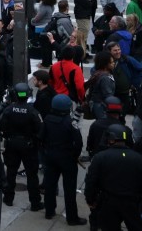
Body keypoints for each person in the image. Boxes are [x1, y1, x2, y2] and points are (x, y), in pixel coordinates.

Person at [84, 123, 142, 231]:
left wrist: (90, 200)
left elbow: (91, 181)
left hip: (108, 204)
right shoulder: (140, 159)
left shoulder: (100, 157)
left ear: (111, 139)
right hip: (133, 204)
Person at [40, 94, 87, 225]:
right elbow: (78, 143)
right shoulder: (70, 122)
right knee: (69, 189)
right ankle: (72, 218)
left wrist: (46, 152)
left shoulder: (47, 119)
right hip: (67, 158)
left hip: (50, 157)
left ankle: (49, 211)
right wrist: (74, 155)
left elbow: (41, 137)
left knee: (49, 185)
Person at [0, 83, 44, 211]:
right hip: (28, 145)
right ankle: (35, 202)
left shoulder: (8, 109)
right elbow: (40, 129)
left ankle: (8, 198)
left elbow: (1, 125)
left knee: (11, 172)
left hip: (12, 144)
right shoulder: (33, 111)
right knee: (32, 175)